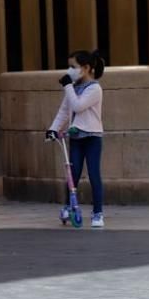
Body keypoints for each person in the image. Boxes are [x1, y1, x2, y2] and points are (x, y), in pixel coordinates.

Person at [46, 50, 106, 228]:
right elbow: (65, 110)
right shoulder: (73, 88)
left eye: (74, 67)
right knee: (73, 174)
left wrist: (67, 86)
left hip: (92, 137)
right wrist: (52, 129)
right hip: (76, 137)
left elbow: (79, 106)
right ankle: (68, 206)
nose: (70, 70)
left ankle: (97, 213)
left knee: (94, 174)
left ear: (86, 68)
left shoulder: (94, 88)